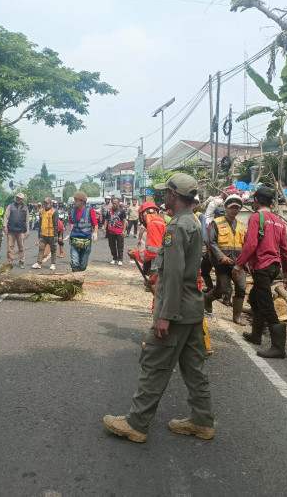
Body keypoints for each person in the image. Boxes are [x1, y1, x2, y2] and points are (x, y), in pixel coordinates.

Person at [104, 173, 214, 443]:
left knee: (154, 365)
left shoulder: (177, 227)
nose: (162, 196)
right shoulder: (193, 222)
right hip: (191, 309)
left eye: (165, 192)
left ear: (174, 196)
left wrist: (164, 316)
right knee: (193, 368)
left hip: (175, 312)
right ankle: (202, 420)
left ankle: (136, 423)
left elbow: (173, 275)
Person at [234, 186, 287, 358]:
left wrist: (238, 265)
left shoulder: (256, 217)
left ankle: (278, 348)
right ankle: (256, 335)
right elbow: (285, 250)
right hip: (274, 267)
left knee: (266, 304)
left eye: (254, 200)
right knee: (254, 297)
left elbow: (251, 244)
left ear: (257, 200)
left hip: (262, 267)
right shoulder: (278, 221)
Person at [204, 195, 247, 324]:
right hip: (222, 262)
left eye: (237, 208)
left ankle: (237, 316)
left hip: (238, 262)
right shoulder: (216, 223)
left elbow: (245, 245)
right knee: (223, 288)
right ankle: (207, 298)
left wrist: (246, 262)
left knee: (241, 287)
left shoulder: (241, 225)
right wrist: (221, 256)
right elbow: (211, 242)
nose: (235, 210)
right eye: (232, 207)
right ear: (226, 208)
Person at [128, 202, 166, 277]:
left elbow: (154, 251)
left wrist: (136, 254)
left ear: (143, 215)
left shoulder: (153, 225)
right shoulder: (160, 222)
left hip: (160, 262)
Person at [69, 190, 98, 272]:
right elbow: (71, 223)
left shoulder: (90, 210)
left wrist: (95, 233)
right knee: (75, 263)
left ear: (82, 201)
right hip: (74, 239)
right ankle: (75, 278)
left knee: (83, 265)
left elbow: (95, 224)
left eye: (76, 200)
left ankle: (80, 275)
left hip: (86, 240)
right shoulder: (72, 211)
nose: (75, 202)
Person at [3, 192, 30, 269]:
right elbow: (6, 217)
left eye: (20, 198)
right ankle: (9, 262)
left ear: (22, 200)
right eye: (17, 197)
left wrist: (27, 231)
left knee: (21, 247)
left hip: (21, 230)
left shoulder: (25, 208)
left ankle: (21, 261)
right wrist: (5, 226)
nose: (18, 199)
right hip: (11, 230)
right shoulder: (10, 206)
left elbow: (27, 220)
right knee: (10, 246)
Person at [32, 197, 59, 271]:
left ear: (51, 204)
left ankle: (53, 264)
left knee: (53, 250)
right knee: (41, 249)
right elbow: (40, 223)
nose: (45, 204)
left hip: (51, 235)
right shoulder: (41, 211)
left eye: (47, 203)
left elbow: (56, 224)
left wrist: (56, 235)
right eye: (44, 203)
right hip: (43, 234)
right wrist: (39, 235)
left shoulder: (54, 212)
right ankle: (39, 263)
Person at [104, 197, 127, 266]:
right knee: (112, 245)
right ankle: (114, 258)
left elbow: (124, 221)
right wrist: (105, 229)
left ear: (118, 203)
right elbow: (106, 220)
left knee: (120, 246)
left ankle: (120, 259)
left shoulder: (122, 211)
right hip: (111, 231)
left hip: (119, 231)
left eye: (116, 203)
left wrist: (123, 231)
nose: (115, 204)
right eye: (113, 203)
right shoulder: (109, 211)